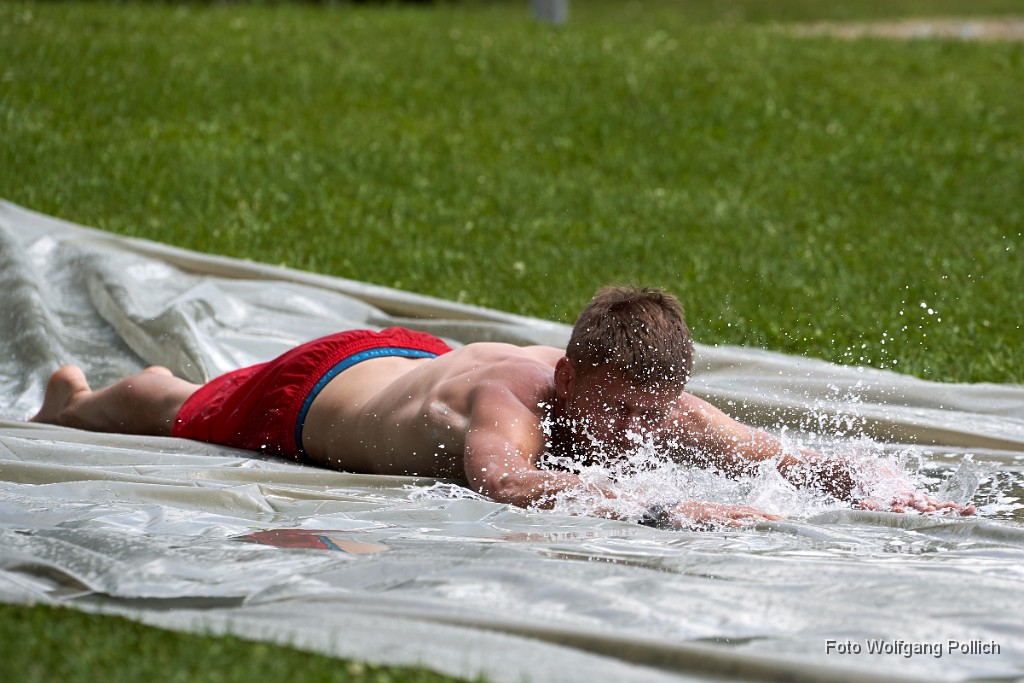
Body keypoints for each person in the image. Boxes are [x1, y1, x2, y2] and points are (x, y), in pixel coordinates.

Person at [29, 285, 974, 527]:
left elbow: (782, 455)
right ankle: (73, 397)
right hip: (317, 389)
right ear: (567, 378)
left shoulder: (645, 403)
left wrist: (891, 488)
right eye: (610, 415)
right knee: (181, 403)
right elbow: (507, 481)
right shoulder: (509, 405)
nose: (628, 438)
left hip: (413, 363)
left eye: (645, 419)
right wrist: (664, 505)